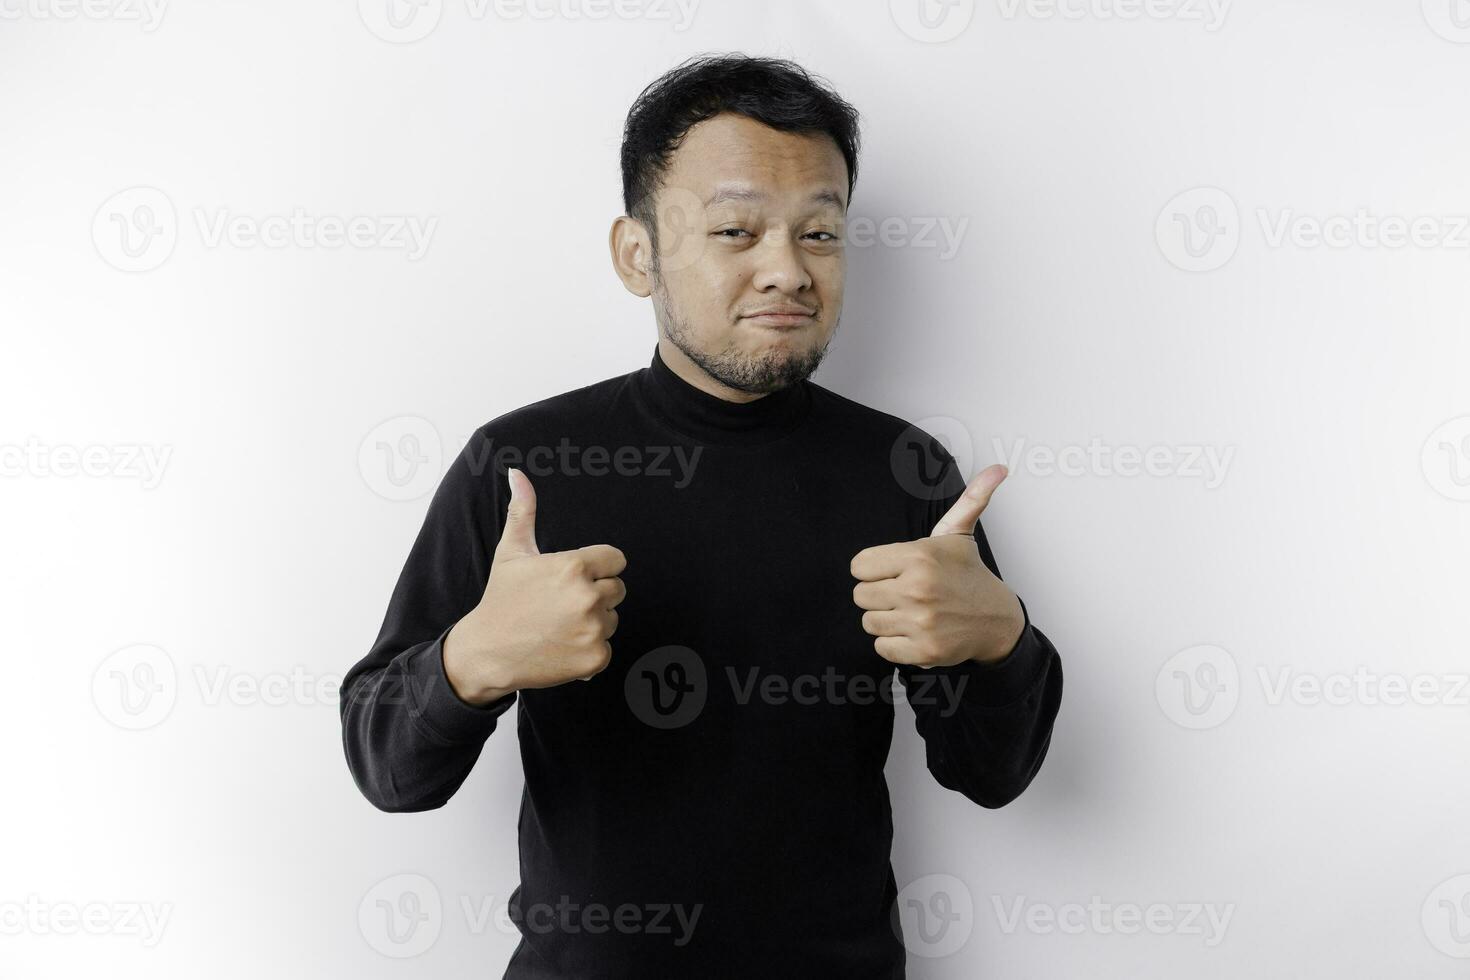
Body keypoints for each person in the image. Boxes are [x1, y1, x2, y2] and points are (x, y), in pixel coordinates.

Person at [340, 52, 1063, 979]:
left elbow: (992, 776)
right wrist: (472, 660)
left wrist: (1004, 640)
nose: (787, 271)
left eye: (820, 234)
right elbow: (388, 769)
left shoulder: (906, 472)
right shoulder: (525, 468)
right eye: (734, 229)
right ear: (636, 255)